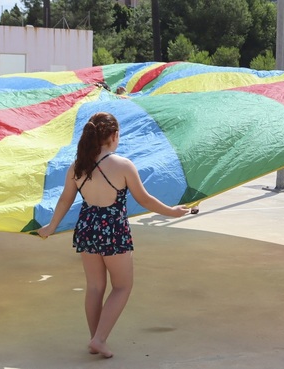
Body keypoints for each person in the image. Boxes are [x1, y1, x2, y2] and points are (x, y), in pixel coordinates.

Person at [37, 112, 190, 358]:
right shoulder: (122, 165)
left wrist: (52, 226)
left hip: (87, 227)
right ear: (113, 135)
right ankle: (99, 339)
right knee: (122, 286)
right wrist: (171, 212)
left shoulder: (78, 166)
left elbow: (66, 199)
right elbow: (145, 199)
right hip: (114, 230)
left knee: (95, 286)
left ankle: (95, 338)